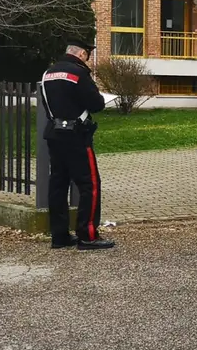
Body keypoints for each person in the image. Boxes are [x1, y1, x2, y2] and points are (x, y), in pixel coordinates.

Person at [41, 39, 114, 250]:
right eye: (87, 55)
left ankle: (59, 236)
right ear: (81, 54)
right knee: (89, 185)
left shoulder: (48, 74)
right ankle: (87, 235)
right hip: (77, 136)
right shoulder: (79, 74)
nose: (87, 59)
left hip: (55, 134)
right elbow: (96, 104)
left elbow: (47, 104)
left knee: (58, 185)